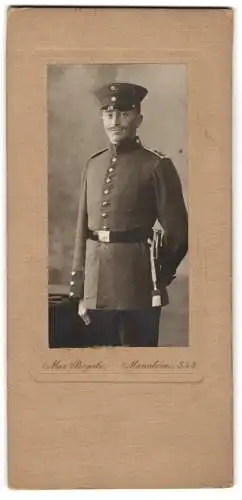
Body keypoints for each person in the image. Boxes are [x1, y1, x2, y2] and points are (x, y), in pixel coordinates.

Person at [68, 82, 188, 347]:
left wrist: (156, 273)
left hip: (139, 287)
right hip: (96, 287)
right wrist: (80, 289)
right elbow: (82, 232)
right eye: (109, 115)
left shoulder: (157, 165)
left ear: (138, 118)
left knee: (139, 367)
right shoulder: (93, 165)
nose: (115, 122)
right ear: (102, 118)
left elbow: (178, 234)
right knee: (101, 367)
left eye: (123, 114)